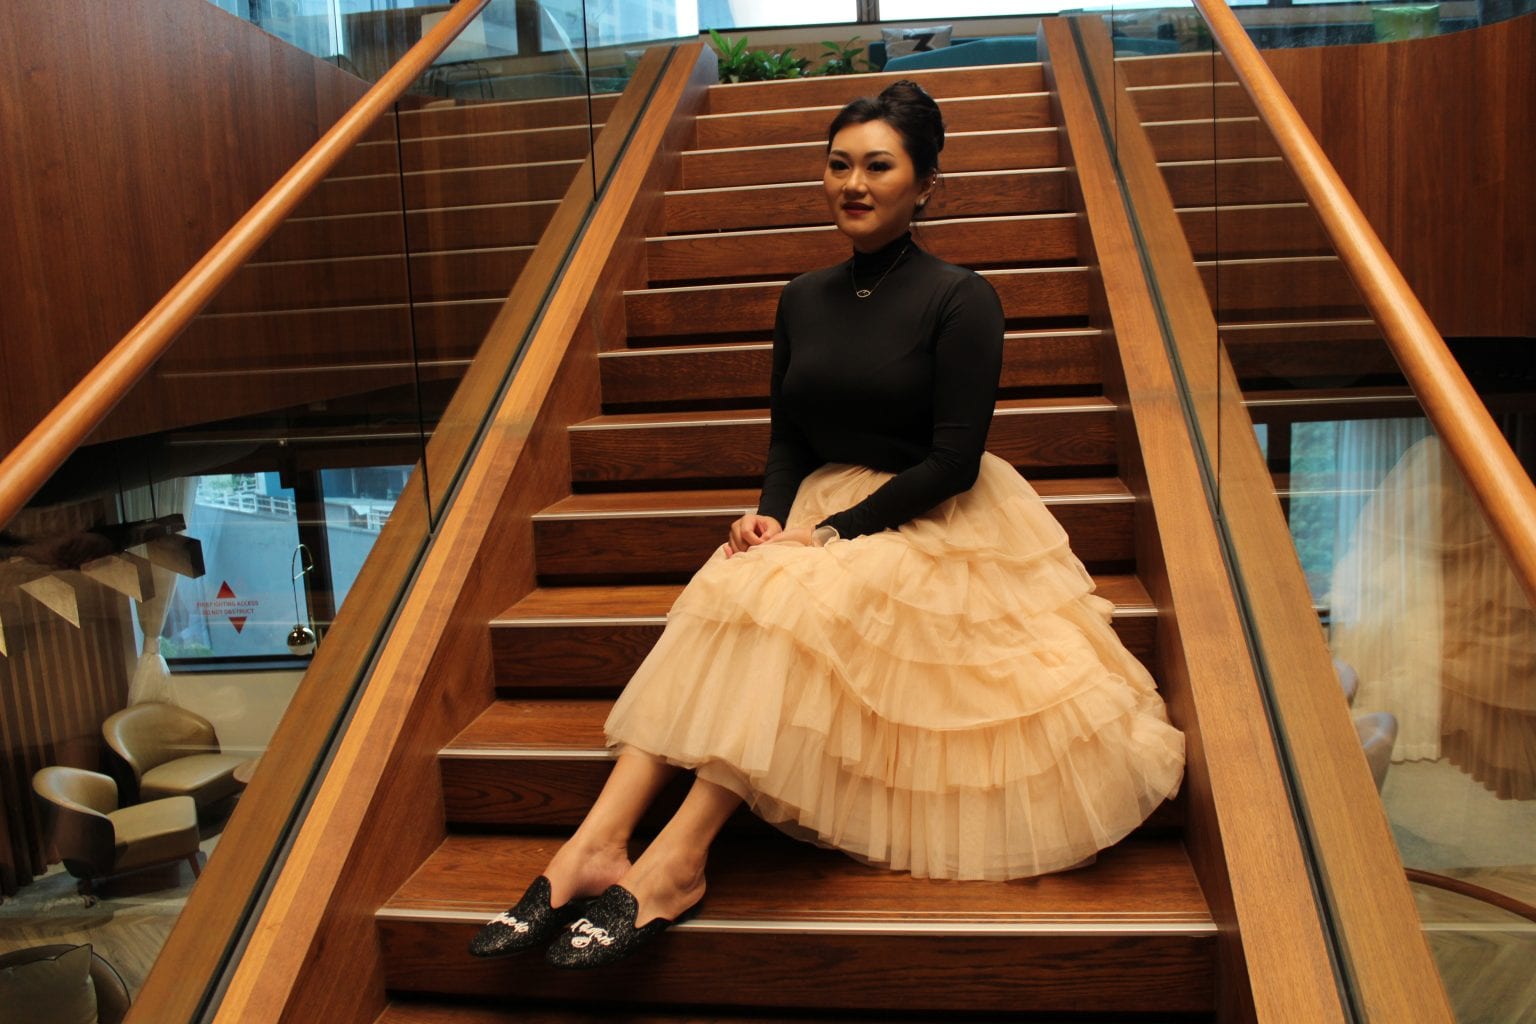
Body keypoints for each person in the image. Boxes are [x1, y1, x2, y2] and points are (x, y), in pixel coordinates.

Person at [469, 79, 1186, 970]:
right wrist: (767, 516)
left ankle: (678, 858)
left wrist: (833, 532)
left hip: (933, 516)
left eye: (878, 166)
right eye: (839, 164)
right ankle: (592, 845)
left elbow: (954, 461)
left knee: (791, 595)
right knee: (741, 576)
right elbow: (788, 436)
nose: (854, 183)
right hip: (820, 509)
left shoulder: (963, 298)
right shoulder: (802, 297)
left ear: (926, 183)